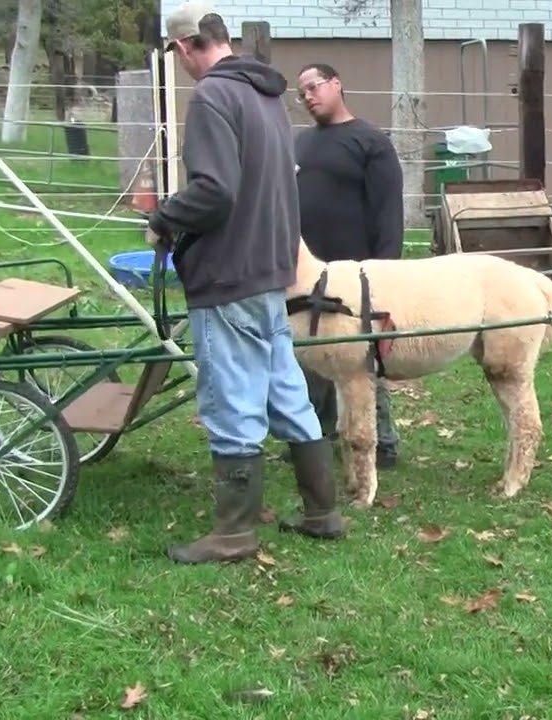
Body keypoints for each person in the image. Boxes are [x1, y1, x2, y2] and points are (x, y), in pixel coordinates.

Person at [147, 1, 345, 564]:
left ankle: (234, 533)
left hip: (229, 272)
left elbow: (214, 190)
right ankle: (321, 511)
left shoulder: (213, 95)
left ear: (184, 46)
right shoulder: (266, 95)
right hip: (270, 269)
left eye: (177, 54)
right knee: (285, 388)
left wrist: (165, 217)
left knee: (231, 398)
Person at [290, 62, 405, 469]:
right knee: (313, 357)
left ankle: (381, 442)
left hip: (358, 280)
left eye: (314, 87)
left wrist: (383, 272)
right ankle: (318, 437)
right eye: (301, 93)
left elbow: (388, 212)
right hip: (308, 277)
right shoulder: (301, 144)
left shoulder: (370, 142)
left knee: (361, 361)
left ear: (337, 84)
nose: (308, 97)